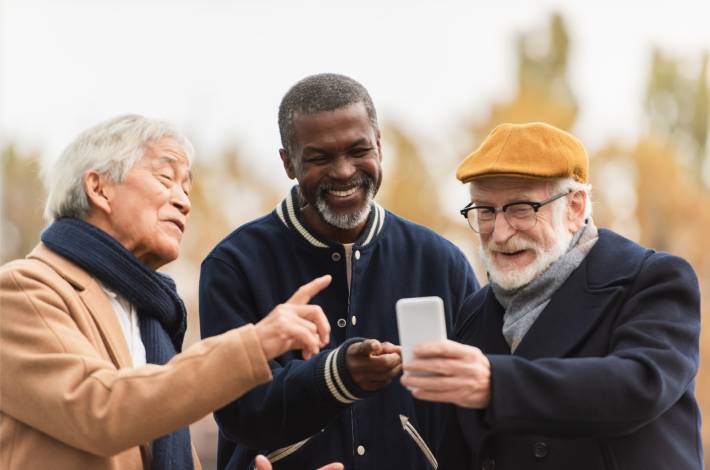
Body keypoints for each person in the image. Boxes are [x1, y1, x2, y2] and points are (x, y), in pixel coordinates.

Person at [0, 114, 338, 470]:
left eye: (186, 189)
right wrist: (254, 344)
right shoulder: (22, 291)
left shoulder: (151, 318)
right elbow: (100, 410)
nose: (184, 202)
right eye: (166, 179)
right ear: (98, 188)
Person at [199, 73, 479, 469]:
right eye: (320, 158)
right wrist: (335, 375)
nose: (344, 171)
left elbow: (477, 411)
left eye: (358, 150)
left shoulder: (441, 261)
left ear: (379, 146)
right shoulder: (235, 265)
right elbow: (238, 410)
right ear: (287, 163)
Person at [400, 122, 703, 470]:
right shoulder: (475, 313)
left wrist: (496, 385)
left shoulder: (653, 280)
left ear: (575, 207)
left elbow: (638, 386)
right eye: (485, 211)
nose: (499, 233)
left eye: (520, 208)